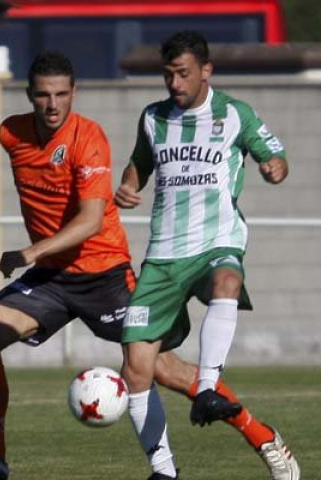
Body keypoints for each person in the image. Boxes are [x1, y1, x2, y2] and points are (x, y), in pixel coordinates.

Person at [0, 51, 296, 480]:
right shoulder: (10, 133)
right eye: (43, 95)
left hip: (105, 274)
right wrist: (41, 259)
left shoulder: (88, 138)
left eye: (62, 95)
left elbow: (90, 221)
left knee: (162, 369)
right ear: (29, 96)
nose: (53, 105)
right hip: (52, 279)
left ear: (74, 93)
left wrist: (29, 253)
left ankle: (262, 437)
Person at [118, 31, 297, 480]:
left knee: (227, 283)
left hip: (217, 241)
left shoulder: (234, 114)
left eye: (182, 74)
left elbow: (274, 154)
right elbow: (139, 163)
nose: (174, 83)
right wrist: (127, 185)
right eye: (168, 74)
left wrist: (275, 168)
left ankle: (207, 387)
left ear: (205, 71)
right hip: (163, 255)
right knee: (137, 368)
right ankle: (164, 471)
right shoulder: (153, 118)